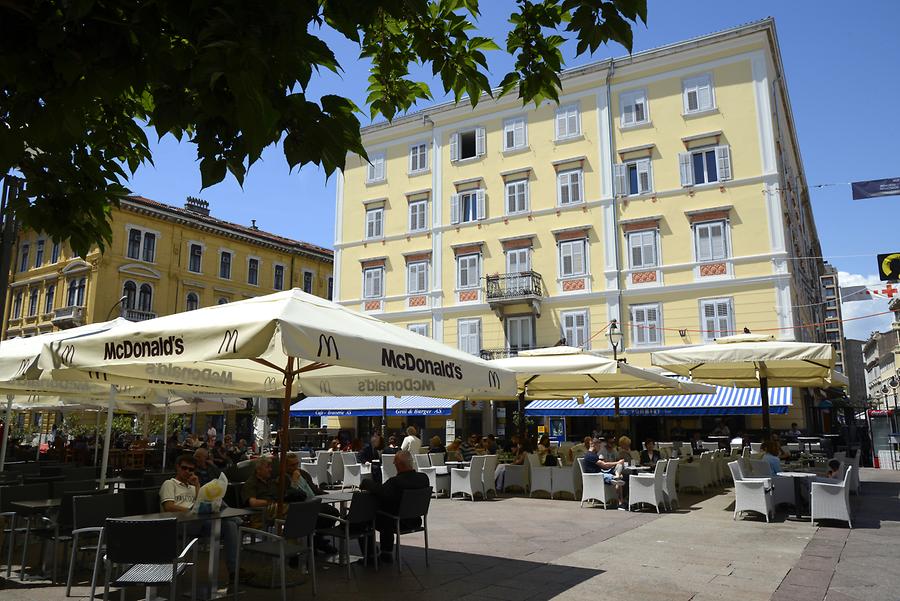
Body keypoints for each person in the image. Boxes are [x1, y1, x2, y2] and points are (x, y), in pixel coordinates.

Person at [160, 455, 241, 581]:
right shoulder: (170, 483)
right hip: (180, 523)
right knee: (229, 519)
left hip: (199, 523)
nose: (187, 472)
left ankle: (234, 571)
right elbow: (169, 506)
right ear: (177, 468)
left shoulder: (193, 488)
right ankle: (236, 517)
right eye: (184, 468)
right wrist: (192, 511)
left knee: (230, 525)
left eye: (191, 470)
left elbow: (201, 501)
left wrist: (197, 485)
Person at [360, 450, 430, 563]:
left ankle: (371, 556)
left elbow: (381, 491)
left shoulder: (395, 482)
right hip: (415, 520)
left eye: (395, 463)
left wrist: (366, 482)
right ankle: (385, 553)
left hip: (397, 522)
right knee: (387, 514)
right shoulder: (423, 478)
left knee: (367, 517)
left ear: (399, 465)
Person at [581, 438, 626, 508]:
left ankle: (617, 476)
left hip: (600, 473)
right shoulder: (590, 455)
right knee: (617, 470)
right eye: (599, 446)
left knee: (619, 466)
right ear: (594, 445)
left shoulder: (593, 455)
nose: (600, 448)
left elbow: (605, 466)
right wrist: (617, 462)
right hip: (596, 477)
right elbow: (604, 465)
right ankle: (620, 501)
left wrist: (618, 464)